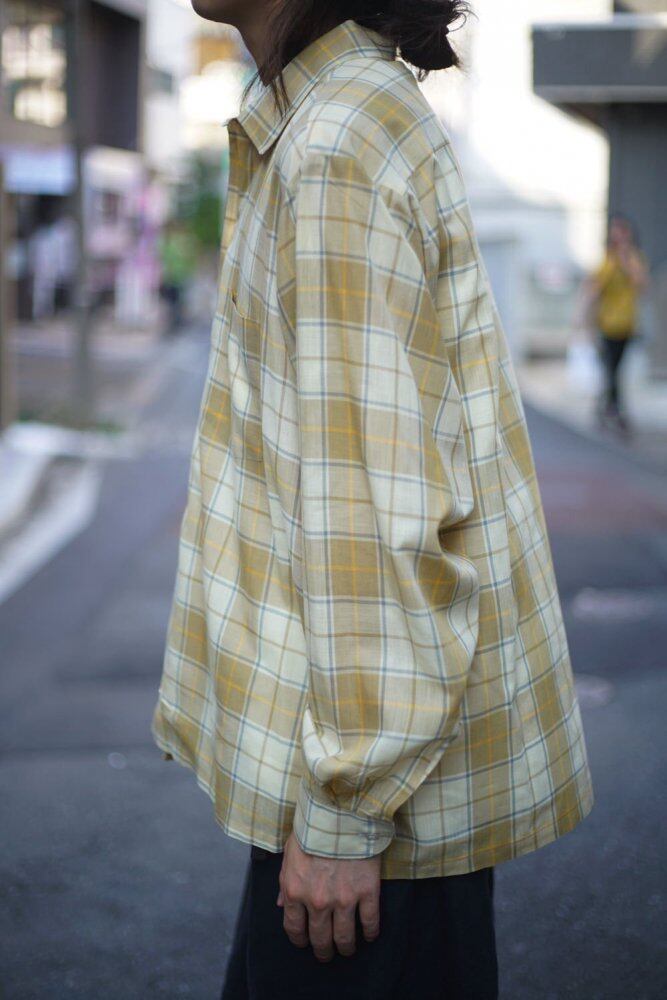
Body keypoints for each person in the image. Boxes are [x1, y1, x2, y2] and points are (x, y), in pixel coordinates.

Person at [151, 6, 594, 999]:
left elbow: (372, 515)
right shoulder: (328, 114)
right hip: (368, 799)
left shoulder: (336, 143)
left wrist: (345, 818)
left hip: (372, 826)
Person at [587, 213, 649, 434]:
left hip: (626, 324)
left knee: (615, 370)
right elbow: (594, 289)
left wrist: (625, 261)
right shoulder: (607, 260)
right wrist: (586, 319)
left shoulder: (634, 259)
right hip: (606, 324)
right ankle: (616, 412)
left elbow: (642, 285)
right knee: (611, 369)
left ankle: (606, 408)